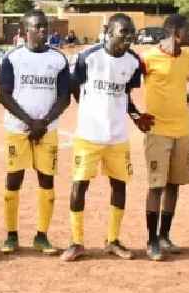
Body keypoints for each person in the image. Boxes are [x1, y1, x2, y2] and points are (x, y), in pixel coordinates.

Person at [61, 14, 154, 262]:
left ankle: (112, 240)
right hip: (88, 136)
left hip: (117, 137)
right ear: (109, 31)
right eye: (123, 32)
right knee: (80, 185)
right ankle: (76, 241)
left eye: (131, 33)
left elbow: (125, 95)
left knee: (119, 186)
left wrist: (135, 116)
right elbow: (73, 86)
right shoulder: (88, 57)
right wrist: (89, 107)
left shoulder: (133, 62)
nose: (128, 37)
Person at [0, 10, 71, 256]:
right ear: (25, 30)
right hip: (17, 129)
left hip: (47, 131)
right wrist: (29, 121)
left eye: (45, 26)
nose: (43, 30)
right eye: (38, 26)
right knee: (13, 179)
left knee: (46, 180)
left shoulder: (59, 59)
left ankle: (42, 235)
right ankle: (11, 235)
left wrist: (44, 122)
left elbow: (64, 97)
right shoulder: (13, 58)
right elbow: (3, 95)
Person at [140, 14, 189, 259]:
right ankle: (151, 240)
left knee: (174, 185)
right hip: (157, 132)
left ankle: (165, 235)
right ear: (176, 32)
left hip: (182, 131)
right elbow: (126, 84)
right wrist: (136, 115)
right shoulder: (147, 59)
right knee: (156, 186)